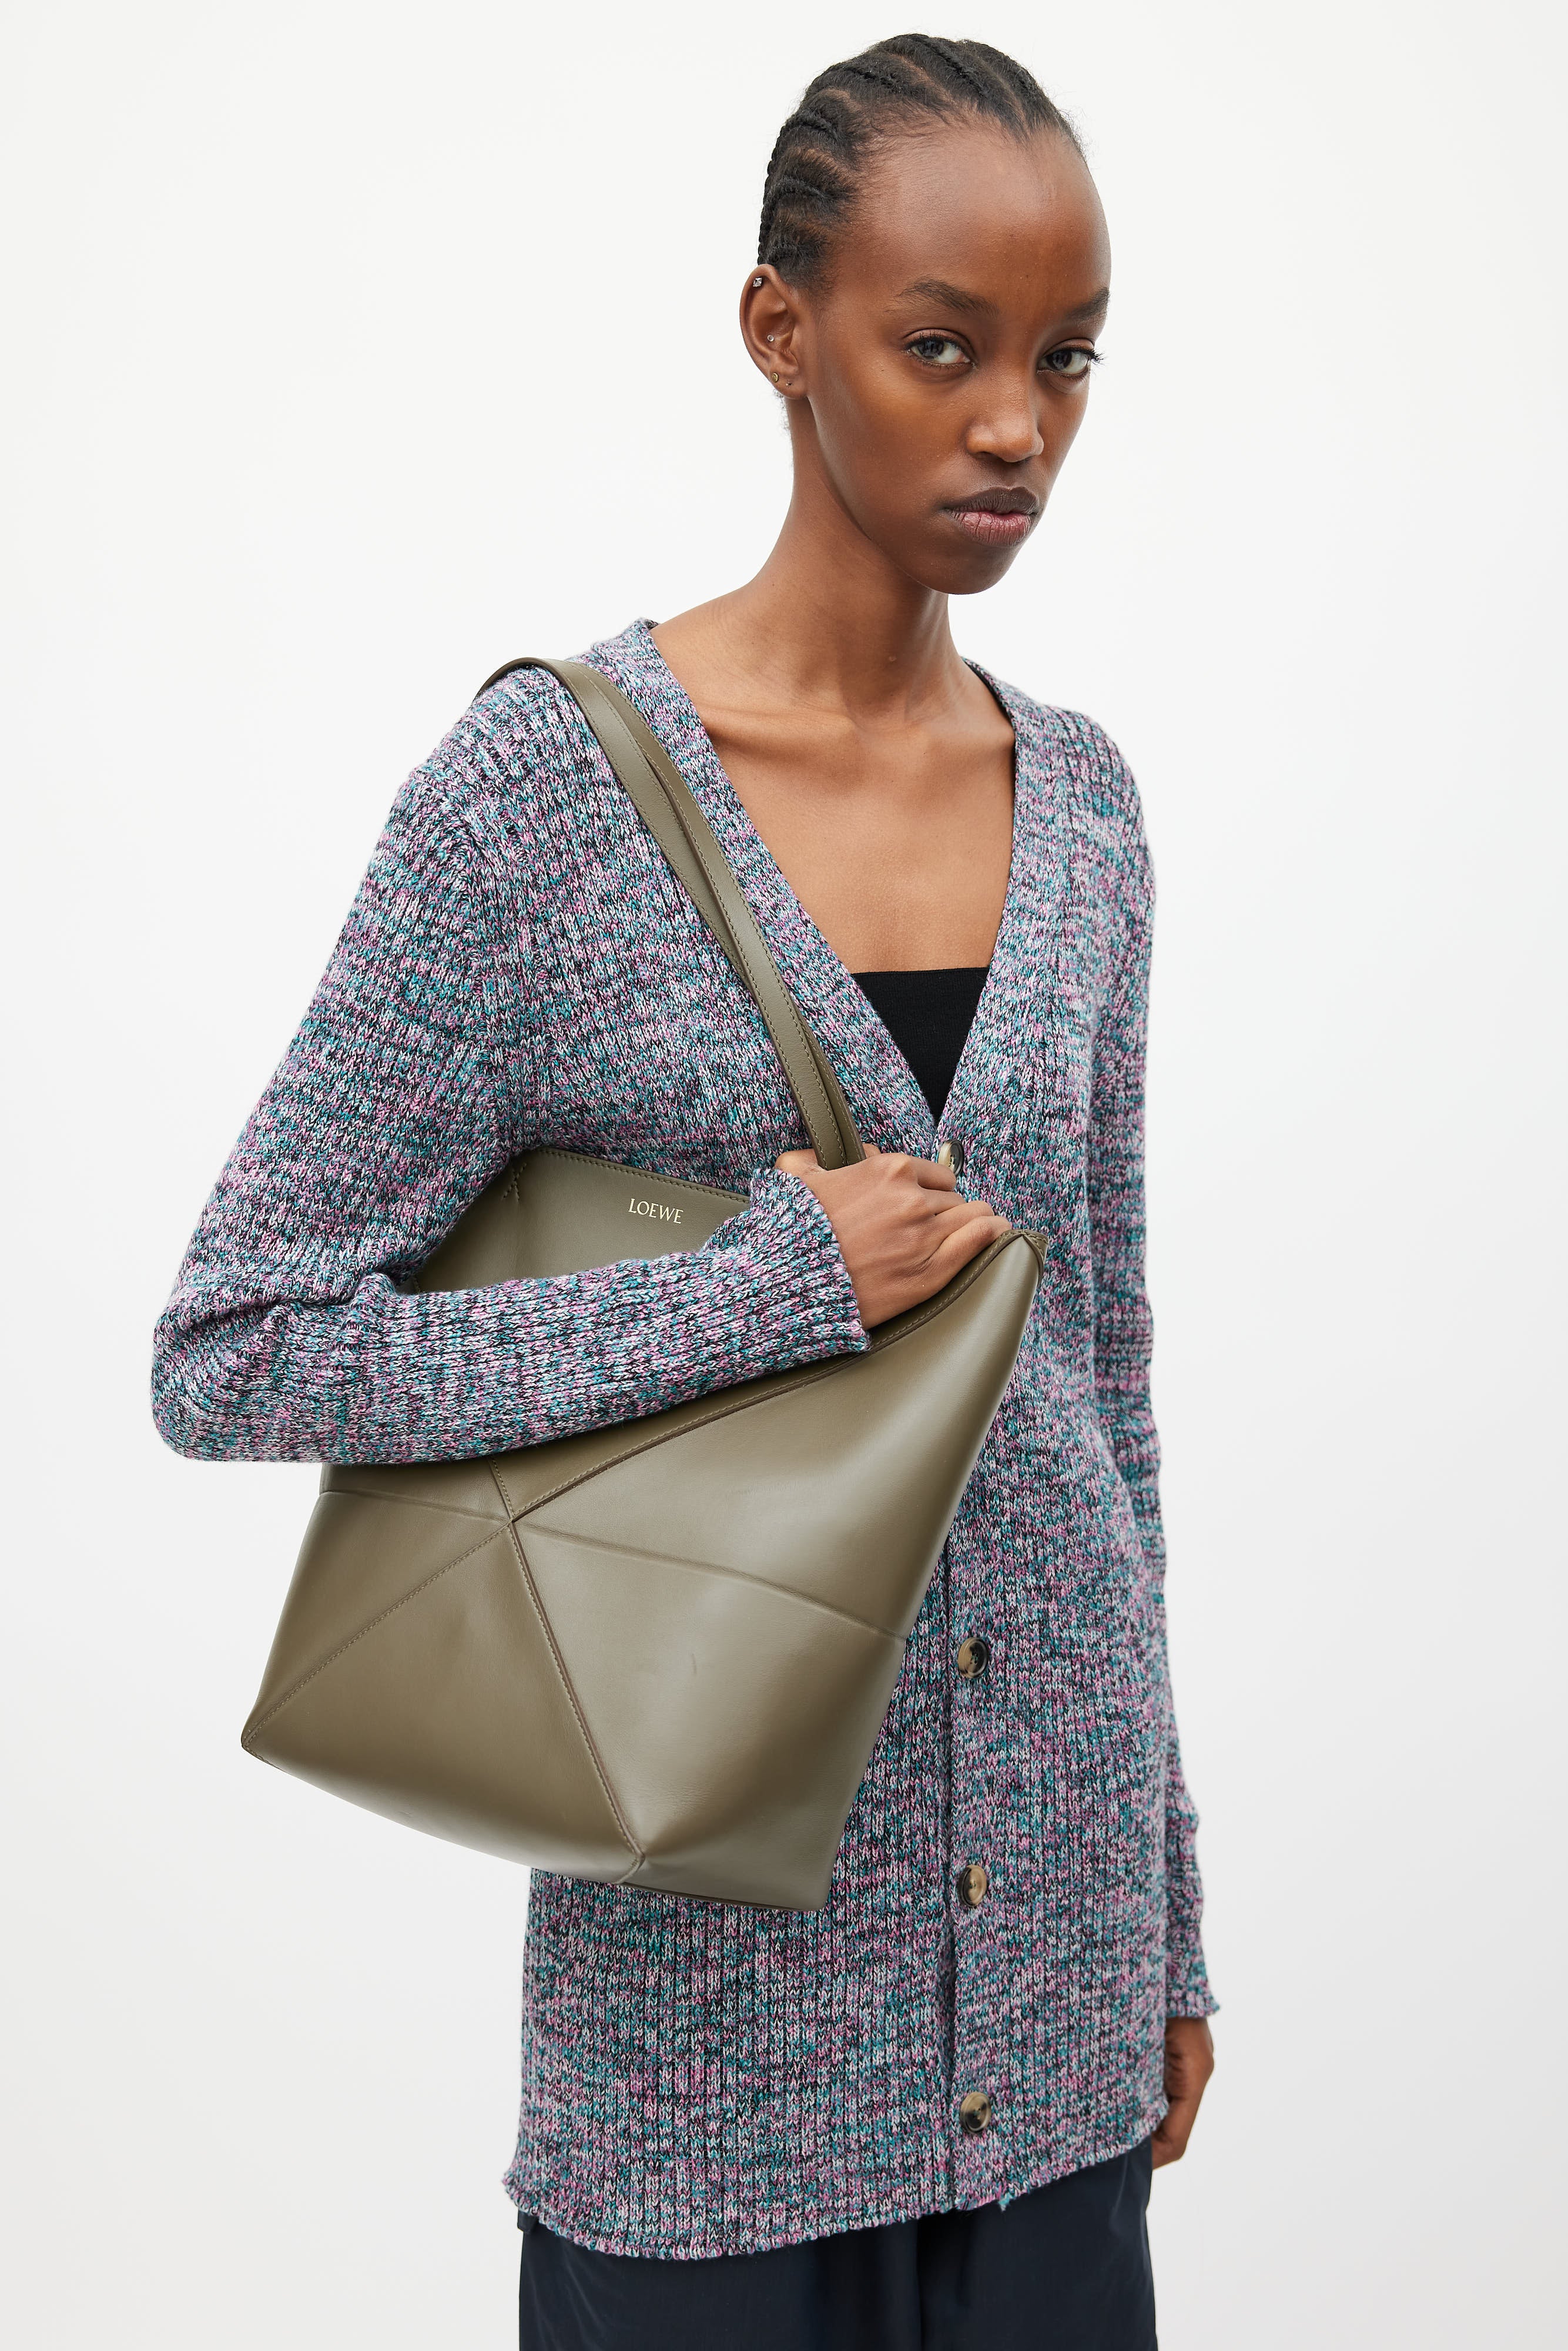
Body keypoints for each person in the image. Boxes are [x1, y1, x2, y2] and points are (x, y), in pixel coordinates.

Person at [152, 32, 1215, 2350]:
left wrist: (1166, 1920)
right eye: (940, 347)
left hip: (1057, 2021)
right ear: (780, 332)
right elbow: (234, 1349)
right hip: (703, 2077)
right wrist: (758, 1291)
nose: (1014, 425)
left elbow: (1104, 1387)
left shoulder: (1090, 806)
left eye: (1063, 359)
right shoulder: (538, 801)